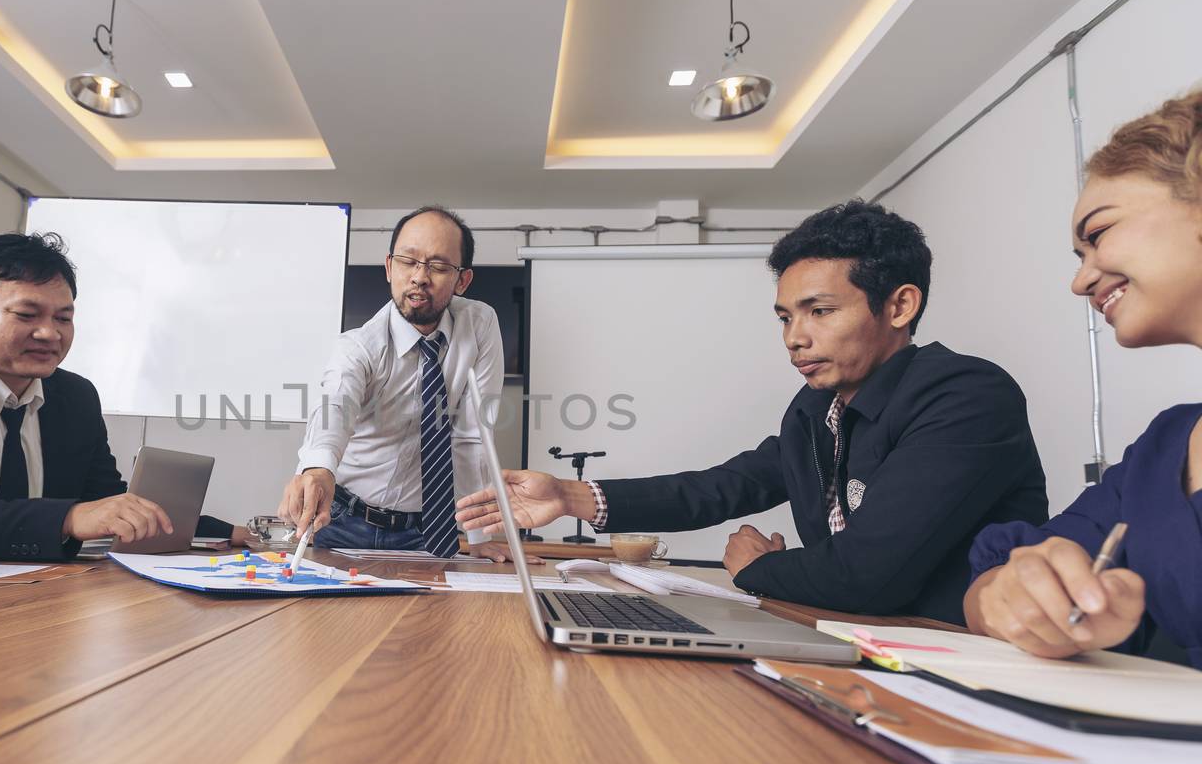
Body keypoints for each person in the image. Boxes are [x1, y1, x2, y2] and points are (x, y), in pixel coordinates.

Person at [458, 200, 1048, 623]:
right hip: (851, 640)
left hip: (961, 660)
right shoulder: (815, 409)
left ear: (899, 305)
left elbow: (870, 575)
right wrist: (567, 496)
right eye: (786, 317)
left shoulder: (966, 396)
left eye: (818, 311)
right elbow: (723, 487)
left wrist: (756, 568)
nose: (795, 337)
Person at [965, 89, 1202, 668]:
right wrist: (1009, 598)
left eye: (1097, 236)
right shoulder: (1163, 447)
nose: (1080, 281)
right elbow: (1005, 568)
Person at [0, 232, 238, 560]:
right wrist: (68, 519)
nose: (50, 334)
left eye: (63, 318)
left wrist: (219, 530)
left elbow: (105, 502)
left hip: (45, 593)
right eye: (26, 315)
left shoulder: (75, 396)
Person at [279, 205, 514, 559]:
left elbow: (472, 436)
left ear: (462, 280)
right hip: (344, 519)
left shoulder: (479, 326)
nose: (420, 277)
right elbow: (335, 410)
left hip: (429, 527)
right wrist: (318, 469)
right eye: (408, 261)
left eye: (438, 266)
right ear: (390, 268)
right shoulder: (358, 347)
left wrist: (479, 537)